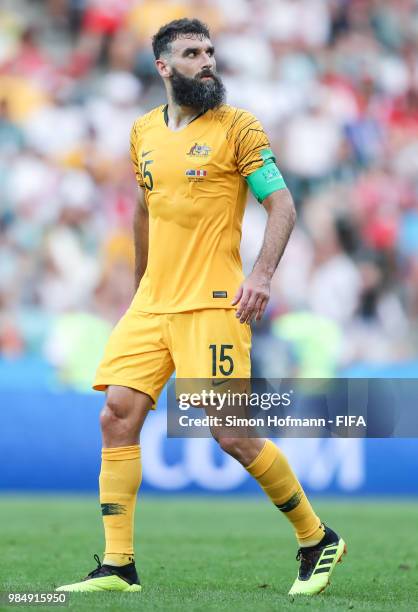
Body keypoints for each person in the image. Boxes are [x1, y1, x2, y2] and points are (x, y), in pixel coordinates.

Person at [56, 18, 346, 597]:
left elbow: (282, 205)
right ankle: (118, 566)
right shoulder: (142, 132)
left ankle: (317, 537)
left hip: (214, 304)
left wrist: (261, 275)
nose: (206, 60)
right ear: (164, 67)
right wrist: (141, 286)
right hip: (153, 305)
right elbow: (144, 210)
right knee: (116, 414)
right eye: (192, 52)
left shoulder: (238, 128)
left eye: (210, 50)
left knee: (230, 434)